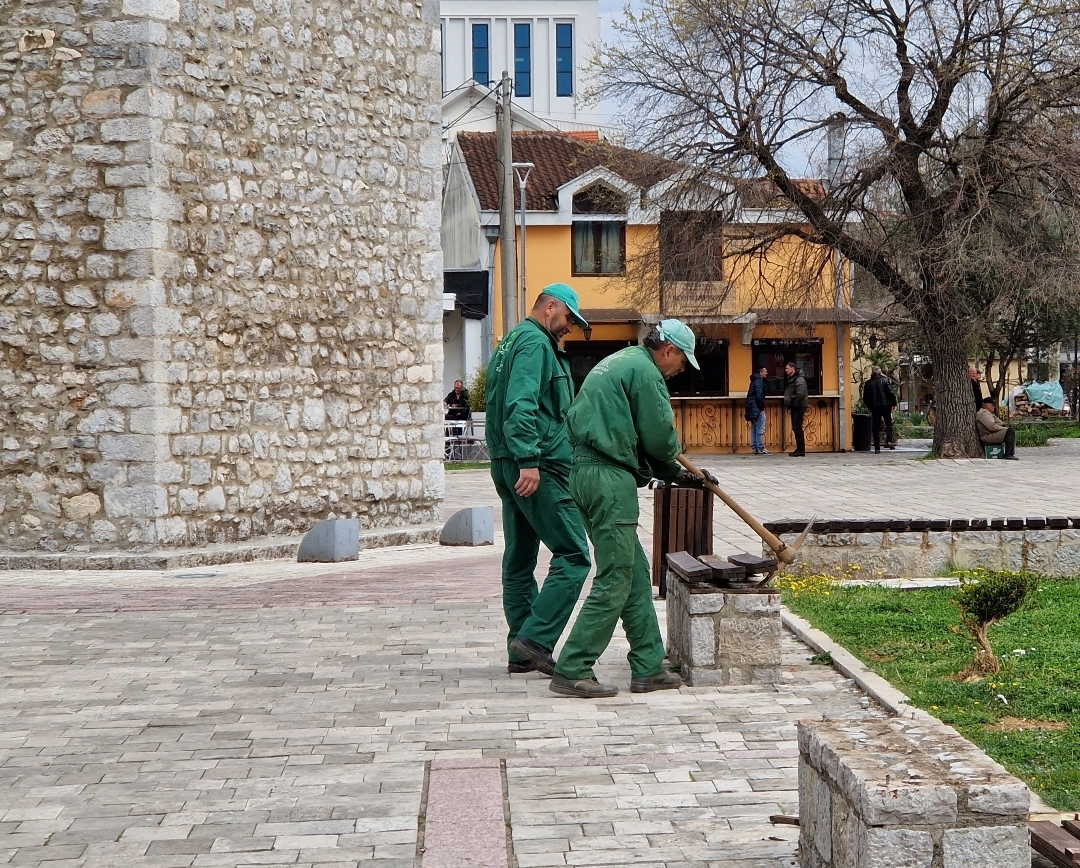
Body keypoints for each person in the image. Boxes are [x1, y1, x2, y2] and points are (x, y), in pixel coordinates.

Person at [550, 319, 716, 699]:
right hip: (608, 480)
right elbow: (658, 436)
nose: (680, 371)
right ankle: (573, 666)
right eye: (682, 362)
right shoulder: (645, 372)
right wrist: (675, 469)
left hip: (586, 473)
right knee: (616, 576)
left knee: (635, 572)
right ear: (669, 350)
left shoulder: (623, 360)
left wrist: (674, 474)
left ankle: (647, 667)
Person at [485, 283, 593, 675]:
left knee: (519, 557)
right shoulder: (534, 343)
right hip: (535, 466)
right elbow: (522, 401)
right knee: (574, 553)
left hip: (505, 460)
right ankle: (535, 639)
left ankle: (520, 650)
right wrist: (529, 459)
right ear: (550, 308)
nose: (568, 327)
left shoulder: (512, 339)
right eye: (568, 318)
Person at [862, 366, 897, 454]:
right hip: (886, 405)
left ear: (872, 373)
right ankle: (889, 441)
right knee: (888, 423)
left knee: (876, 426)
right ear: (880, 372)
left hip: (875, 406)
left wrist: (870, 407)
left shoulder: (868, 383)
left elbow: (865, 398)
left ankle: (877, 448)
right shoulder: (885, 380)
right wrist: (894, 403)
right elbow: (891, 392)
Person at [783, 361, 808, 457]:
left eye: (787, 368)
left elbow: (801, 394)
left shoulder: (799, 379)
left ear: (793, 368)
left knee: (797, 428)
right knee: (796, 427)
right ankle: (799, 449)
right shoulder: (794, 379)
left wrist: (794, 403)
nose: (786, 370)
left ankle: (801, 450)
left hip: (799, 406)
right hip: (796, 405)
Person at [745, 366, 769, 454]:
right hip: (757, 408)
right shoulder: (759, 381)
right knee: (760, 428)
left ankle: (755, 447)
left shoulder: (754, 381)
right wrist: (761, 407)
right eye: (765, 372)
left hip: (752, 408)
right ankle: (761, 448)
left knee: (754, 428)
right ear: (761, 373)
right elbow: (759, 396)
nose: (767, 373)